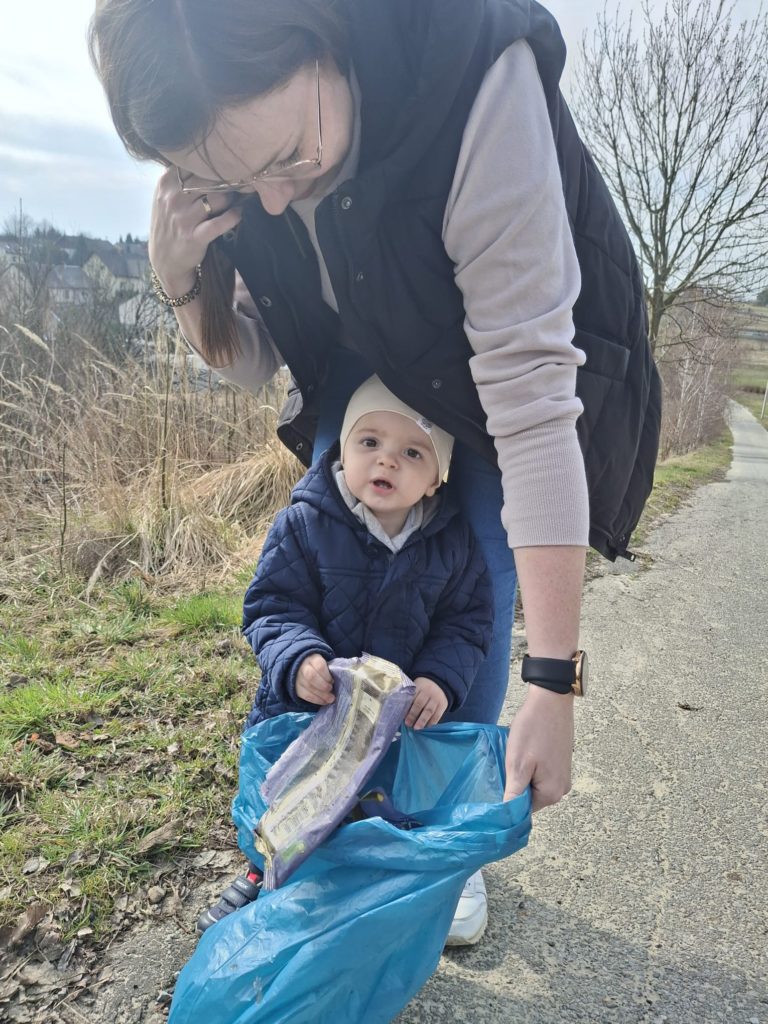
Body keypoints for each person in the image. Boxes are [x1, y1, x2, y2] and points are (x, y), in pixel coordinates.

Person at [90, 0, 659, 906]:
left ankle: (435, 836)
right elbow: (257, 360)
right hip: (364, 366)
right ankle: (328, 809)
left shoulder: (476, 75)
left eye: (289, 157)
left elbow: (530, 397)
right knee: (336, 573)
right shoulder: (242, 154)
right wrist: (181, 280)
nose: (274, 201)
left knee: (468, 584)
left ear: (323, 33)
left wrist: (554, 683)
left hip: (490, 372)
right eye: (234, 179)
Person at [201, 375, 495, 943]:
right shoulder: (305, 523)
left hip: (391, 721)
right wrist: (298, 658)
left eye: (413, 453)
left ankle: (365, 880)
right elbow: (272, 606)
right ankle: (264, 872)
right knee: (289, 802)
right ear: (342, 449)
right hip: (309, 711)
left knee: (376, 803)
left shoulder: (452, 543)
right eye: (370, 442)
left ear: (436, 479)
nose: (387, 460)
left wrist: (440, 678)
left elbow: (467, 622)